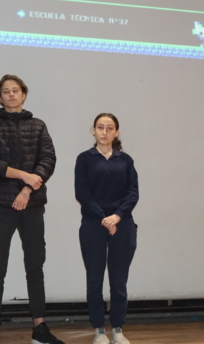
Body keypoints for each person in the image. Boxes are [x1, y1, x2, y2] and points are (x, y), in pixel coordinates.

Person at [0, 74, 64, 344]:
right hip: (2, 205)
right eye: (6, 91)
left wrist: (26, 190)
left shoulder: (38, 125)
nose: (11, 94)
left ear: (24, 94)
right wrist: (23, 176)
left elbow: (48, 159)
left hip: (32, 204)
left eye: (16, 90)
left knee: (35, 265)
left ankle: (40, 328)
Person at [74, 113, 139, 344]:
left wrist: (117, 216)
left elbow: (133, 193)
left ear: (116, 132)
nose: (104, 132)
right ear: (93, 131)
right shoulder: (85, 159)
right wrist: (104, 219)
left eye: (109, 128)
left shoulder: (125, 161)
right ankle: (99, 330)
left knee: (119, 280)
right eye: (100, 127)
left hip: (122, 225)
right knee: (94, 279)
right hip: (94, 225)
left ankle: (118, 329)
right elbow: (82, 193)